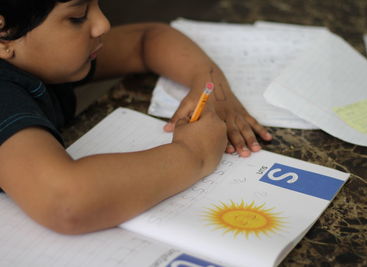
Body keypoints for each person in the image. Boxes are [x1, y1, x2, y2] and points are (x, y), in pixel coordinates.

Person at [0, 0, 272, 234]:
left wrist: (209, 82)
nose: (103, 24)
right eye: (78, 16)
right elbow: (65, 200)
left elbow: (147, 39)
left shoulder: (30, 53)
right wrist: (194, 153)